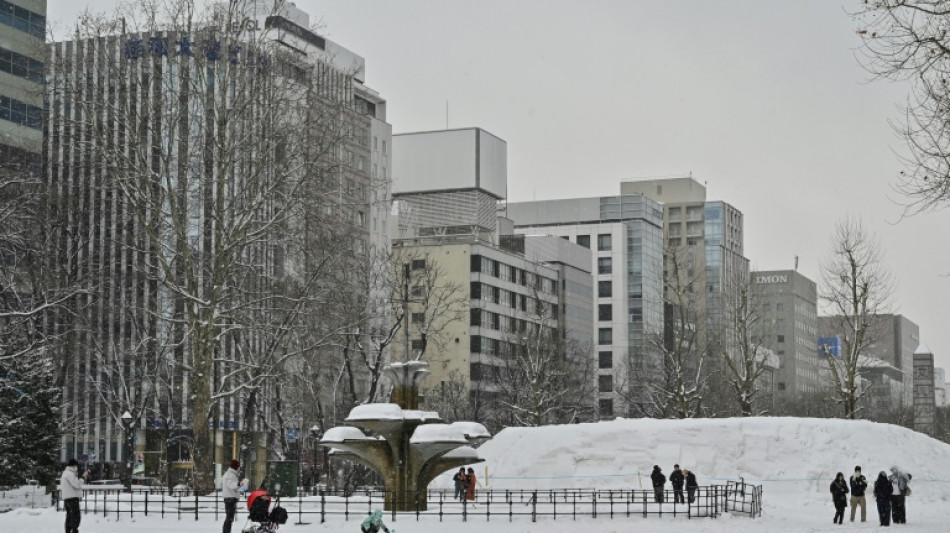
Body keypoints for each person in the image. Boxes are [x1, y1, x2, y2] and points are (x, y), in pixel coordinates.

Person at [60, 458, 89, 533]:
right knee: (75, 517)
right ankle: (73, 530)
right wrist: (83, 477)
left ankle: (69, 530)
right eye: (76, 466)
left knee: (70, 517)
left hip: (68, 499)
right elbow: (77, 485)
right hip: (72, 499)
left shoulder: (66, 473)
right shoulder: (69, 474)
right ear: (73, 466)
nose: (77, 467)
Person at [222, 459, 247, 533]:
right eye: (238, 467)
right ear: (235, 467)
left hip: (231, 498)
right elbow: (231, 485)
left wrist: (242, 487)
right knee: (229, 518)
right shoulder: (230, 475)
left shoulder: (231, 474)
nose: (239, 468)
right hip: (230, 498)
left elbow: (234, 487)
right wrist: (239, 484)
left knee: (229, 518)